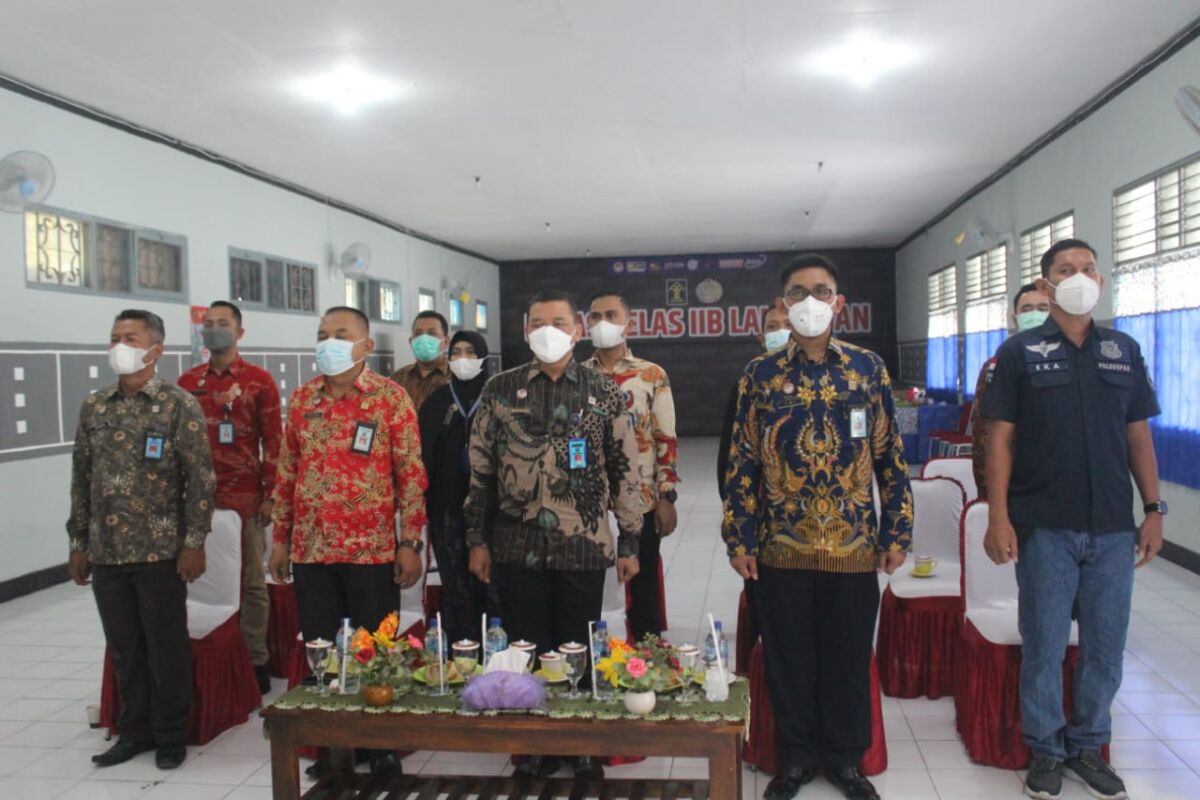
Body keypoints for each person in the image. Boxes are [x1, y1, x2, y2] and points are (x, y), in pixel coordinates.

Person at [723, 254, 913, 800]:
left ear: (839, 302)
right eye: (799, 292)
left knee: (848, 658)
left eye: (821, 290)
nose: (811, 301)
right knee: (789, 659)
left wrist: (897, 531)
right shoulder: (760, 374)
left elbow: (890, 456)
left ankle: (846, 760)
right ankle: (796, 758)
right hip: (781, 545)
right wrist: (740, 536)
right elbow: (742, 462)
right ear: (783, 305)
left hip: (854, 544)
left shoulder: (867, 368)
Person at [981, 238, 1162, 800]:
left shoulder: (1123, 351)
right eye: (1065, 269)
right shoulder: (1020, 353)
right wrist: (998, 517)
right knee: (1045, 644)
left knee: (1105, 647)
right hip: (1044, 525)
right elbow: (1000, 439)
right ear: (1047, 284)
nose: (1078, 276)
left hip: (1112, 526)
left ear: (1101, 282)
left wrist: (1153, 509)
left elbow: (1138, 435)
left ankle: (1088, 745)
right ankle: (1045, 750)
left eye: (1087, 268)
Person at [465, 289, 643, 782]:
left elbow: (624, 469)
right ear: (525, 331)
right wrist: (477, 539)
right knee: (527, 645)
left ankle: (581, 747)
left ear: (577, 330)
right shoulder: (500, 390)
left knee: (577, 646)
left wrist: (630, 540)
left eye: (559, 322)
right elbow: (480, 473)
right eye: (538, 322)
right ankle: (535, 747)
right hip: (515, 546)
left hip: (582, 545)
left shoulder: (603, 391)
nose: (549, 331)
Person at [269, 306, 428, 776]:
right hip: (312, 550)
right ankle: (335, 747)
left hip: (370, 550)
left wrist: (410, 542)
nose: (328, 342)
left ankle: (379, 748)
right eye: (322, 334)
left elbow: (411, 477)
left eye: (340, 334)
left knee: (373, 650)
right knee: (322, 650)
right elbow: (287, 473)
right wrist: (280, 539)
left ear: (365, 345)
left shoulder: (390, 399)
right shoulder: (303, 399)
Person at [68, 309, 215, 770]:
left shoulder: (177, 404)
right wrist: (78, 542)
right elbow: (82, 477)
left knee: (165, 646)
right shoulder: (96, 406)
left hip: (160, 550)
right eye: (115, 337)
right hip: (107, 550)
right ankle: (133, 731)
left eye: (130, 338)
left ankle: (171, 733)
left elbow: (200, 478)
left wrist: (194, 541)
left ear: (155, 350)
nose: (120, 345)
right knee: (124, 647)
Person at [178, 301, 282, 694]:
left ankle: (255, 659)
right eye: (208, 323)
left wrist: (271, 496)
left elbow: (274, 442)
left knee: (252, 582)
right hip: (196, 501)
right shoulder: (187, 382)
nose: (214, 328)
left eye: (223, 323)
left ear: (240, 332)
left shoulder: (258, 381)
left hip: (245, 500)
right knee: (198, 580)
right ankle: (204, 657)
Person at [582, 290, 680, 641]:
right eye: (595, 317)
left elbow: (666, 438)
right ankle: (590, 653)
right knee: (589, 583)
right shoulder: (577, 376)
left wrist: (666, 495)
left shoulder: (651, 375)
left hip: (641, 499)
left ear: (629, 323)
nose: (602, 323)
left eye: (611, 315)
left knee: (643, 583)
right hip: (587, 502)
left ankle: (645, 654)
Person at [417, 330, 499, 644]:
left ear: (484, 357)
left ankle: (496, 652)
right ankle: (460, 654)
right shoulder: (436, 402)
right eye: (456, 352)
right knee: (456, 589)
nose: (463, 359)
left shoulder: (497, 399)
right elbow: (423, 459)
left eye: (471, 352)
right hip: (447, 513)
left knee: (492, 587)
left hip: (494, 513)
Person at [966, 284, 1050, 500]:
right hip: (1015, 487)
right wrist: (988, 496)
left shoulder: (1073, 363)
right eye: (1027, 309)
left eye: (1043, 308)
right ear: (1015, 318)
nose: (1035, 314)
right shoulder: (997, 366)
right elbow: (983, 436)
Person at [717, 304, 792, 499]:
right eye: (772, 327)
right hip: (765, 494)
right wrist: (728, 497)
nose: (781, 331)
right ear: (762, 337)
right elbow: (730, 444)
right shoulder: (750, 380)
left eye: (788, 325)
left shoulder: (819, 379)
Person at [390, 310, 451, 410]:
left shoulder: (455, 378)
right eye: (418, 334)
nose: (423, 339)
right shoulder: (398, 378)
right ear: (411, 341)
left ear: (446, 342)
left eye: (432, 333)